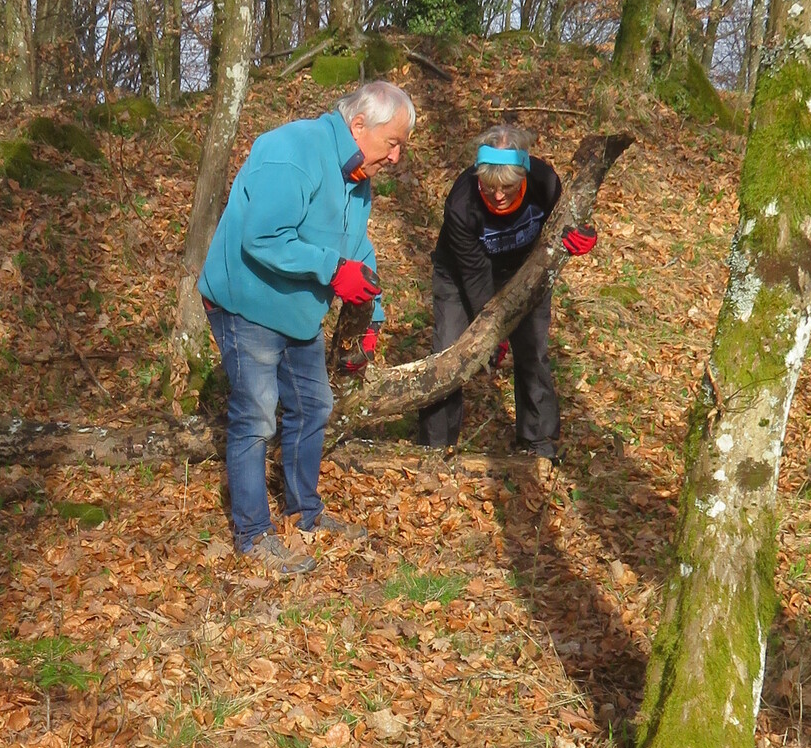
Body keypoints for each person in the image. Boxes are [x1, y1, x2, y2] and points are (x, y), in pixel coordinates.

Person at [199, 79, 416, 577]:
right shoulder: (293, 151)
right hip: (246, 301)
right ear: (358, 125)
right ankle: (254, 535)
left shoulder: (357, 179)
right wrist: (331, 270)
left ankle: (305, 515)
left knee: (314, 405)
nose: (396, 157)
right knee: (257, 415)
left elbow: (357, 248)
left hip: (296, 309)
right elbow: (262, 238)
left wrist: (373, 318)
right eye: (393, 143)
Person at [419, 130, 596, 462]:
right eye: (489, 187)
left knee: (533, 351)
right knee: (448, 352)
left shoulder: (544, 182)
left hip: (527, 269)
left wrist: (583, 233)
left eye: (508, 187)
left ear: (523, 175)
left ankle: (539, 443)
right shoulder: (462, 203)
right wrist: (492, 332)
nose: (498, 196)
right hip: (460, 275)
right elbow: (475, 275)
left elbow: (569, 218)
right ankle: (435, 447)